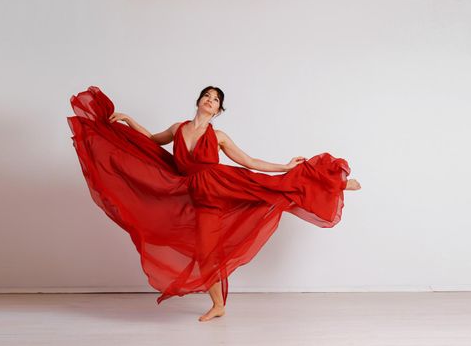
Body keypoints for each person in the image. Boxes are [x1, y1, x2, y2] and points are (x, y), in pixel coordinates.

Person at [67, 85, 361, 323]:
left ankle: (335, 182)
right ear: (198, 102)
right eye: (206, 96)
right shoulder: (178, 129)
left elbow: (249, 161)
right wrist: (128, 119)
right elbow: (151, 140)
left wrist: (284, 166)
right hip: (197, 194)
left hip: (222, 184)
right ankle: (218, 305)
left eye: (215, 100)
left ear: (219, 110)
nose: (210, 101)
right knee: (205, 251)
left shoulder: (218, 136)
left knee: (273, 188)